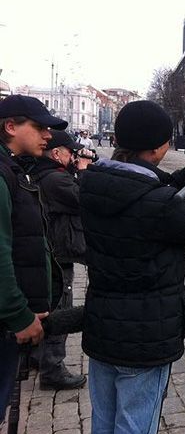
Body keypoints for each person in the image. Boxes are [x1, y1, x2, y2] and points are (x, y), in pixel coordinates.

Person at [79, 100, 185, 434]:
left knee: (104, 431)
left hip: (103, 331)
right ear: (157, 147)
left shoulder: (94, 183)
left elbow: (153, 189)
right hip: (144, 339)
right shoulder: (160, 205)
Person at [0, 94, 68, 422]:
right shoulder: (2, 175)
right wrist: (18, 315)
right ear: (10, 127)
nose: (48, 135)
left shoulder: (15, 170)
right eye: (39, 127)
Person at [30, 130, 92, 390]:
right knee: (61, 307)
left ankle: (39, 356)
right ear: (57, 153)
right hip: (58, 253)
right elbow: (85, 199)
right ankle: (53, 369)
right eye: (70, 152)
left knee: (51, 303)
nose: (74, 156)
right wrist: (85, 170)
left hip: (53, 250)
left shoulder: (47, 174)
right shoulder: (55, 179)